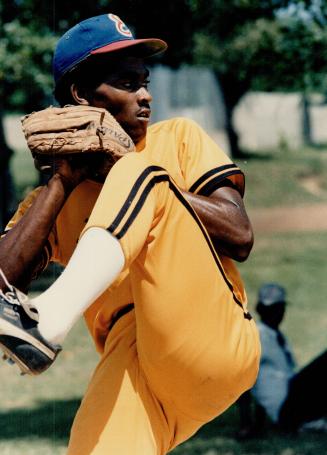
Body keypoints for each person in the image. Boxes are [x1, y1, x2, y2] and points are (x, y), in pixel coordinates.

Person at [0, 13, 260, 454]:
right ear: (82, 95)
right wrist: (62, 180)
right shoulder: (55, 196)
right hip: (132, 362)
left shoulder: (177, 138)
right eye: (127, 82)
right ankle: (44, 323)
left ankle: (50, 319)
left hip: (210, 331)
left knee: (145, 174)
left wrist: (125, 169)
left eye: (145, 81)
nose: (145, 96)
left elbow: (240, 235)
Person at [238, 282, 327, 438]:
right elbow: (243, 385)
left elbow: (264, 383)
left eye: (278, 309)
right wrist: (247, 425)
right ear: (261, 310)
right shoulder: (256, 336)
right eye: (271, 310)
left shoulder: (276, 336)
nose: (276, 314)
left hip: (294, 400)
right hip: (287, 408)